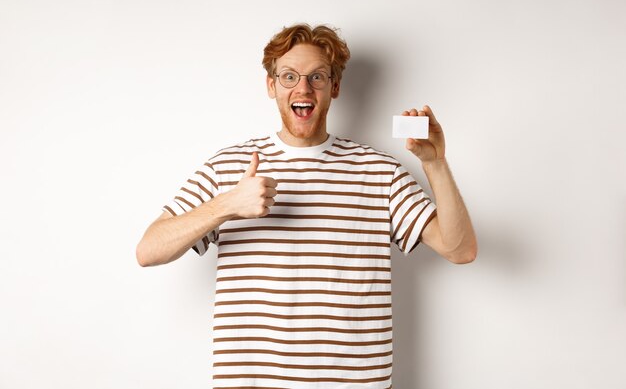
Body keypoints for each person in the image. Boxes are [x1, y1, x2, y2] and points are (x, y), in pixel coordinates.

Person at [136, 23, 477, 388]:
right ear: (271, 86)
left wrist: (435, 164)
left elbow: (460, 250)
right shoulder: (228, 166)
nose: (303, 88)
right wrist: (226, 205)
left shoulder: (380, 171)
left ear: (335, 87)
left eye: (316, 76)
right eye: (289, 76)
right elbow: (149, 250)